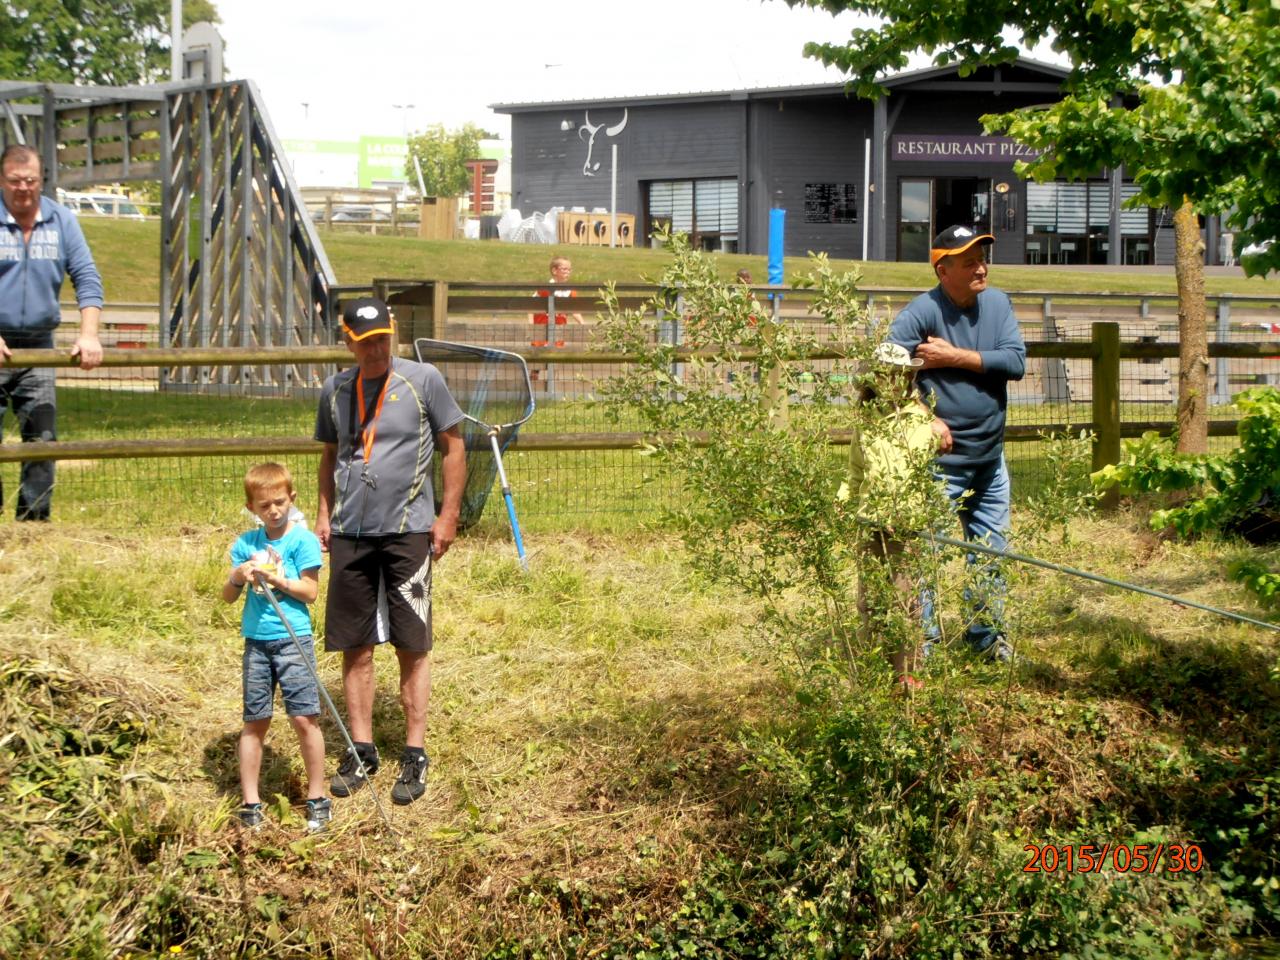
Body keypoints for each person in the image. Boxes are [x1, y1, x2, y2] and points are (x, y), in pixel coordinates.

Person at [314, 297, 466, 806]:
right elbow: (331, 455)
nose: (376, 349)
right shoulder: (334, 390)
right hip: (350, 536)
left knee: (411, 643)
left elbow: (454, 446)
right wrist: (322, 515)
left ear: (393, 334)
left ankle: (415, 752)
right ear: (348, 343)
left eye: (383, 338)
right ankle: (361, 749)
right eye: (365, 342)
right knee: (354, 645)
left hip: (409, 533)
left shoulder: (424, 381)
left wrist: (446, 517)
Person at [888, 225, 1026, 661]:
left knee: (990, 552)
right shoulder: (921, 312)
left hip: (990, 459)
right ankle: (922, 646)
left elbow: (1015, 361)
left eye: (983, 258)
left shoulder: (999, 303)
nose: (980, 267)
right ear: (942, 268)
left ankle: (985, 641)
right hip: (938, 463)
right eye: (969, 261)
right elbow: (882, 368)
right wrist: (923, 417)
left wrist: (953, 357)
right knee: (925, 554)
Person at [0, 143, 105, 520]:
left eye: (30, 180)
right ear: (2, 179)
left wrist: (89, 334)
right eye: (14, 181)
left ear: (41, 179)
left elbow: (87, 277)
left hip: (40, 348)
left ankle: (33, 525)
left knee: (42, 442)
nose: (23, 188)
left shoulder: (61, 221)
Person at [222, 462, 328, 831]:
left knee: (304, 718)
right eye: (264, 505)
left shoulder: (302, 541)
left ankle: (317, 795)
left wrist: (277, 579)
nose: (273, 510)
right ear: (252, 507)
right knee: (255, 721)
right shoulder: (245, 545)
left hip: (293, 639)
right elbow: (227, 597)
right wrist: (238, 576)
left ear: (292, 499)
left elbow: (310, 592)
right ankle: (251, 800)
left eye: (280, 502)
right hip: (257, 642)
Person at [845, 342, 939, 690]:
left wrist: (902, 513)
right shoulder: (866, 424)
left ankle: (907, 671)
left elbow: (917, 475)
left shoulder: (920, 421)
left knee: (904, 598)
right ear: (874, 380)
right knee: (869, 599)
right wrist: (845, 504)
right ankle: (873, 671)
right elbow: (856, 471)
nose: (894, 382)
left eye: (902, 376)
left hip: (904, 526)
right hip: (870, 523)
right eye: (886, 376)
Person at [532, 256, 584, 348]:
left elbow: (574, 311)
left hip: (559, 331)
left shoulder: (570, 291)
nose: (567, 272)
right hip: (542, 330)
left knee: (556, 354)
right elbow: (530, 306)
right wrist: (531, 326)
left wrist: (582, 324)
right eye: (564, 269)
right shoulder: (545, 289)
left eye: (569, 270)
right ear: (554, 271)